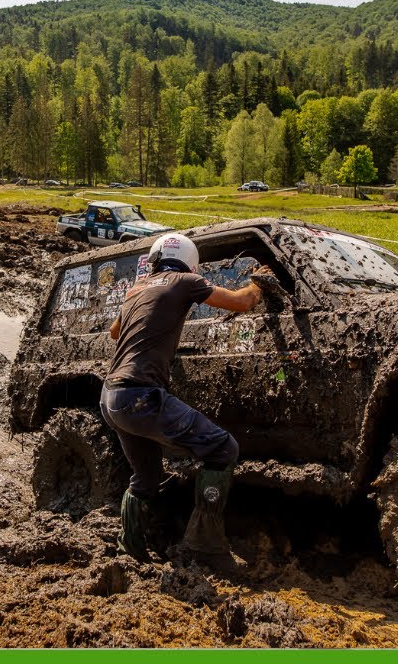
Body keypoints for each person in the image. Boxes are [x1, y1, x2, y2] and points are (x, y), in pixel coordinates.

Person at [100, 233, 274, 567]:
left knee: (145, 479)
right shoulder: (185, 280)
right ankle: (205, 547)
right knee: (223, 449)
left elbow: (114, 333)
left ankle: (130, 551)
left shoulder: (136, 289)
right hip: (141, 396)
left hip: (110, 397)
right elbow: (240, 302)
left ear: (154, 259)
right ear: (191, 260)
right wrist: (260, 283)